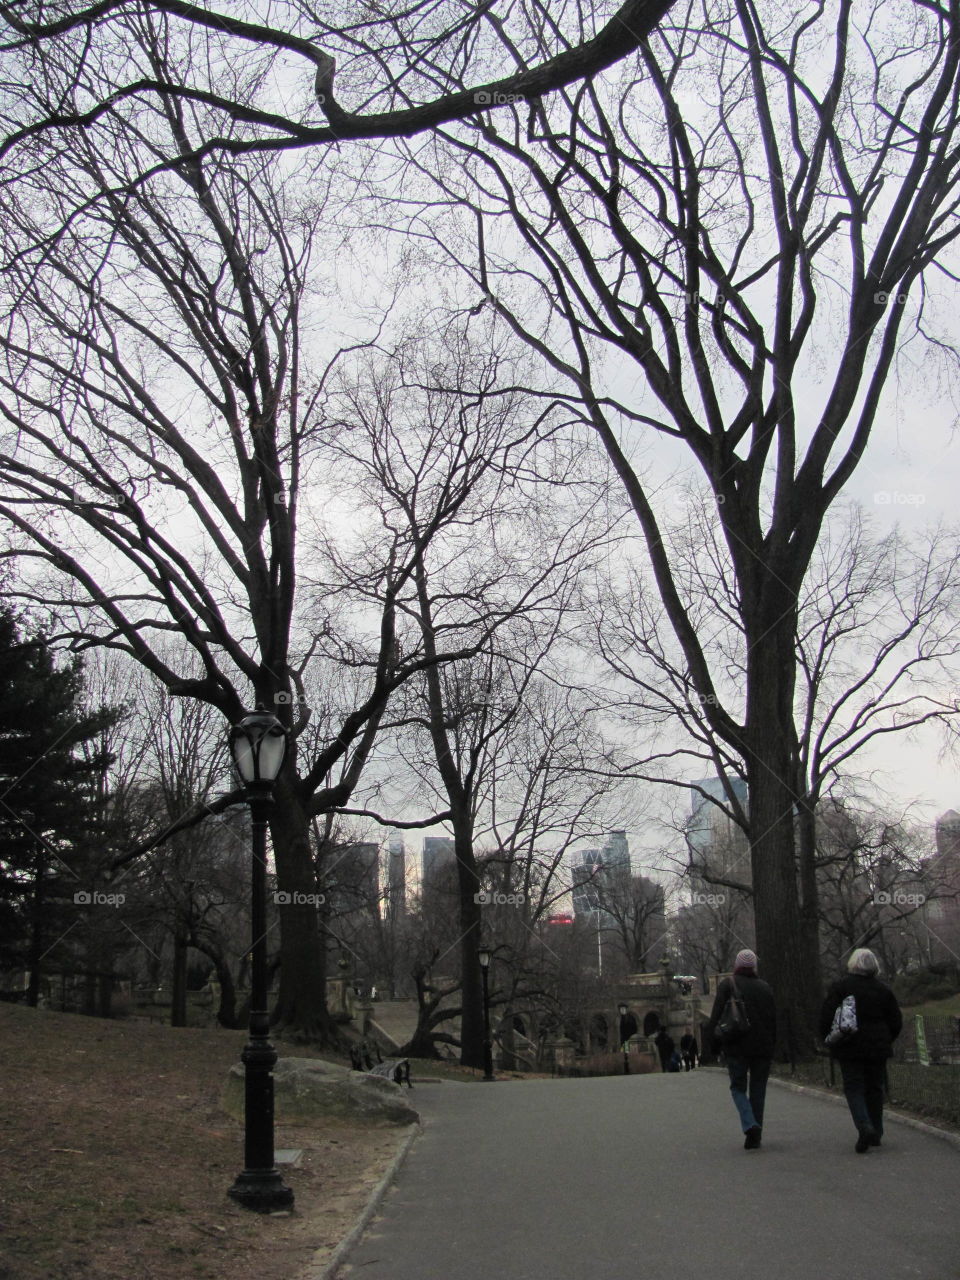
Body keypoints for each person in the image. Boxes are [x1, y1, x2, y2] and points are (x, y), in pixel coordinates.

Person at [819, 948, 902, 1153]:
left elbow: (827, 1015)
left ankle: (864, 1125)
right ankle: (877, 1130)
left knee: (854, 1087)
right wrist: (886, 1039)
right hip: (878, 1047)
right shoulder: (883, 989)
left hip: (849, 1045)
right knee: (875, 1087)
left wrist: (826, 1038)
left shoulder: (841, 987)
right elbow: (896, 1020)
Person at [706, 949, 777, 1150]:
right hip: (762, 1047)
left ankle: (749, 1123)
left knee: (738, 1087)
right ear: (754, 966)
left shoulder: (728, 985)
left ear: (737, 965)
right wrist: (773, 1045)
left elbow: (716, 1015)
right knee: (758, 1090)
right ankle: (756, 1135)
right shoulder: (765, 987)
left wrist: (713, 1044)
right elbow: (773, 1020)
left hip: (736, 1044)